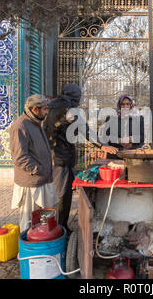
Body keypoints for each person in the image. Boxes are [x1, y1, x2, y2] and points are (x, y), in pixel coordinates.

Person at [44, 83, 118, 232]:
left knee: (50, 194)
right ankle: (60, 228)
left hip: (47, 157)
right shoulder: (69, 110)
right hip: (62, 160)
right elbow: (85, 130)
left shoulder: (49, 106)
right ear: (75, 97)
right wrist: (102, 145)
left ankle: (49, 226)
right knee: (63, 195)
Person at [9, 94, 56, 233]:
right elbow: (20, 157)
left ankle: (42, 250)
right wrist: (39, 169)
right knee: (29, 222)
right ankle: (27, 253)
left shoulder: (35, 123)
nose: (47, 112)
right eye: (45, 109)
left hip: (42, 180)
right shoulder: (20, 126)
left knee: (42, 222)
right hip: (31, 184)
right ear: (35, 109)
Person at [100, 94, 146, 159]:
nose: (125, 106)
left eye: (128, 104)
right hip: (115, 152)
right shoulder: (111, 118)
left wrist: (129, 139)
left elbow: (142, 136)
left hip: (134, 152)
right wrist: (119, 140)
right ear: (119, 105)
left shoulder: (139, 118)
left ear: (131, 105)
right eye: (123, 104)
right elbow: (105, 136)